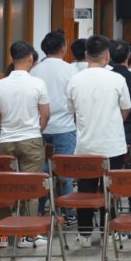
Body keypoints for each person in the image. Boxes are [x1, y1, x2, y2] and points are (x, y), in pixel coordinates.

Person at [66, 35, 130, 247]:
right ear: (107, 56)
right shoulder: (117, 79)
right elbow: (126, 108)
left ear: (86, 55)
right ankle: (109, 230)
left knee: (85, 189)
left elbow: (72, 111)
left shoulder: (75, 79)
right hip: (112, 144)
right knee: (110, 188)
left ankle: (84, 234)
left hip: (85, 145)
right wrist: (113, 122)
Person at [0, 41, 50, 246]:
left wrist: (7, 128)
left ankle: (2, 235)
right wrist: (36, 130)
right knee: (30, 187)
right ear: (31, 59)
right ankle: (27, 234)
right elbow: (45, 114)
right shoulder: (37, 84)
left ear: (12, 58)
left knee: (4, 187)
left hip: (6, 140)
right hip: (31, 139)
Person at [31, 30, 77, 221]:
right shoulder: (70, 70)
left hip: (39, 127)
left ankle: (40, 209)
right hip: (65, 127)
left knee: (40, 171)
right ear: (63, 48)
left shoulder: (34, 70)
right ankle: (68, 212)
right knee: (66, 171)